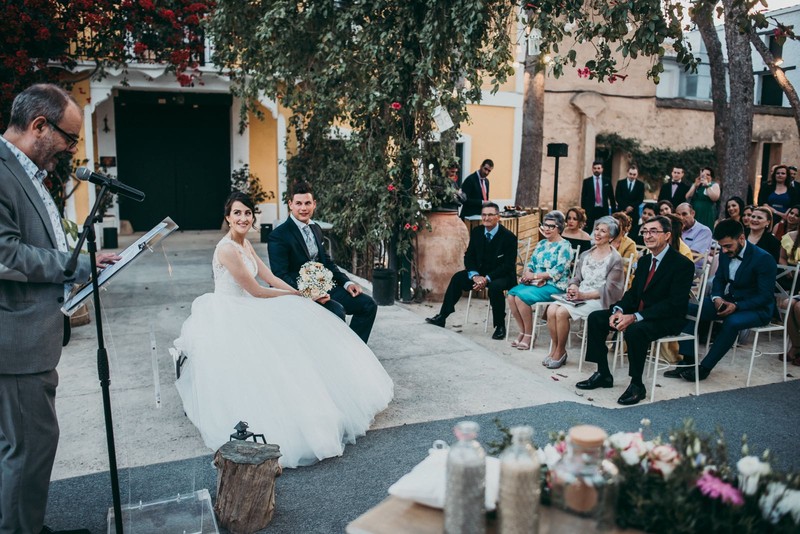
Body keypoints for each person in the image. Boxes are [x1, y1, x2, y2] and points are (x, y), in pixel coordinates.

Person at [174, 192, 393, 468]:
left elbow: (271, 277)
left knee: (301, 326)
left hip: (252, 303)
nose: (243, 218)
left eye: (247, 213)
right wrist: (293, 298)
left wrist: (299, 294)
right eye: (237, 213)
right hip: (232, 309)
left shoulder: (245, 244)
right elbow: (255, 290)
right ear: (228, 218)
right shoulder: (227, 249)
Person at [0, 84, 120, 534]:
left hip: (33, 335)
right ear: (38, 126)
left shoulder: (24, 170)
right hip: (15, 340)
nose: (71, 149)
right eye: (69, 138)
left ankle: (24, 524)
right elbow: (5, 255)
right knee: (28, 447)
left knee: (30, 444)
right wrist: (74, 266)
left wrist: (84, 261)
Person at [576, 216, 694, 405]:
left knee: (635, 330)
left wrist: (635, 317)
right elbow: (633, 293)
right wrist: (619, 309)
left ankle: (637, 384)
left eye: (653, 231)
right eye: (645, 231)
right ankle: (603, 373)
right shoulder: (646, 260)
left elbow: (674, 303)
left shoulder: (682, 264)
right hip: (639, 313)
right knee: (597, 318)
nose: (648, 236)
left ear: (667, 235)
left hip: (667, 318)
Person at [269, 181, 378, 343]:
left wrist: (347, 283)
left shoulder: (316, 229)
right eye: (298, 203)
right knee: (337, 311)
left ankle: (354, 352)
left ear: (314, 204)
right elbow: (280, 275)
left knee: (368, 305)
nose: (303, 208)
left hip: (326, 287)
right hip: (298, 293)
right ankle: (333, 356)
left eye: (307, 203)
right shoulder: (279, 235)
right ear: (290, 205)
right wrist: (310, 294)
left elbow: (326, 262)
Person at [671, 219, 777, 381]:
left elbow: (765, 297)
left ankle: (704, 368)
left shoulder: (764, 259)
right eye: (721, 246)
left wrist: (737, 306)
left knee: (732, 322)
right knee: (690, 307)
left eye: (728, 246)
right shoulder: (726, 254)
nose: (724, 250)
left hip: (758, 309)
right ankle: (688, 361)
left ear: (741, 238)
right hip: (729, 301)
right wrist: (717, 297)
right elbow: (719, 280)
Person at [425, 202, 517, 339]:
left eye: (490, 215)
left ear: (498, 217)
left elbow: (508, 265)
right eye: (484, 215)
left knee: (495, 288)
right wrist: (474, 276)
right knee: (457, 278)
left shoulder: (509, 237)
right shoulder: (477, 232)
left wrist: (487, 278)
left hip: (501, 275)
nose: (486, 218)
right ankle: (442, 317)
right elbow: (469, 256)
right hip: (479, 273)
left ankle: (500, 326)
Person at [544, 216, 625, 369]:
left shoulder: (615, 259)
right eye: (597, 229)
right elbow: (577, 277)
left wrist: (583, 295)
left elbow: (611, 290)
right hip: (580, 295)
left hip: (600, 299)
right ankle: (556, 348)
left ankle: (560, 351)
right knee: (551, 309)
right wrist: (573, 286)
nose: (598, 233)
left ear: (611, 236)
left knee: (561, 312)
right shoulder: (586, 254)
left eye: (603, 231)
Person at [507, 211, 573, 350]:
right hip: (536, 283)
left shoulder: (565, 246)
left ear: (559, 228)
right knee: (511, 295)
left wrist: (536, 276)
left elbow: (559, 270)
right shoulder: (542, 243)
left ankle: (529, 336)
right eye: (545, 225)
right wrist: (528, 271)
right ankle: (523, 331)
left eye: (551, 226)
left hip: (555, 285)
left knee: (520, 298)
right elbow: (532, 262)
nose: (547, 229)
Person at [778, 229, 800, 365]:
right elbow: (782, 257)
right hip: (797, 284)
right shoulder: (791, 236)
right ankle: (796, 345)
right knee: (786, 304)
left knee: (798, 307)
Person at [580, 160, 616, 230]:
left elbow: (611, 197)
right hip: (591, 210)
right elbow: (583, 197)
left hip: (603, 210)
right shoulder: (587, 182)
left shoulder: (607, 181)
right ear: (592, 169)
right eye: (595, 168)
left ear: (602, 169)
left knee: (603, 229)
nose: (596, 170)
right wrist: (583, 212)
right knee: (589, 229)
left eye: (598, 168)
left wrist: (613, 213)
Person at [614, 165, 645, 237]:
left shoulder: (640, 185)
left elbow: (640, 199)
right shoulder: (620, 183)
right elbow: (617, 197)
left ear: (637, 174)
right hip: (621, 212)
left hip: (634, 213)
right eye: (630, 174)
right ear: (627, 173)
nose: (632, 176)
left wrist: (631, 207)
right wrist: (626, 207)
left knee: (632, 233)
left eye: (634, 174)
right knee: (619, 231)